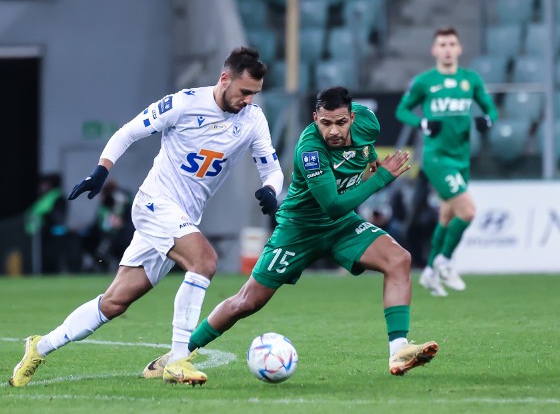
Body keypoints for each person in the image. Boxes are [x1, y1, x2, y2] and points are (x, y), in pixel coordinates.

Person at [8, 46, 284, 387]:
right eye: (244, 92)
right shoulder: (183, 104)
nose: (248, 101)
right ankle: (178, 360)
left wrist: (272, 190)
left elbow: (271, 168)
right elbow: (128, 132)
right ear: (224, 79)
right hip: (155, 204)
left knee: (114, 303)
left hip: (182, 219)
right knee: (205, 262)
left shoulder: (253, 120)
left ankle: (39, 346)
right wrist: (101, 171)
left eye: (254, 95)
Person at [145, 87, 439, 381]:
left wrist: (371, 157)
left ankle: (399, 349)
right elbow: (333, 206)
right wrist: (383, 176)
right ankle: (179, 354)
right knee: (246, 302)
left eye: (340, 122)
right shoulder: (309, 149)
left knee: (399, 259)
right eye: (325, 123)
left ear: (352, 117)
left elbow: (364, 148)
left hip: (341, 228)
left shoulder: (367, 123)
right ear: (315, 118)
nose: (333, 131)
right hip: (299, 231)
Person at [395, 27, 498, 297]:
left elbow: (491, 108)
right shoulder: (424, 81)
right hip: (436, 158)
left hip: (461, 158)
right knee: (468, 211)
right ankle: (444, 261)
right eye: (442, 44)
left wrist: (487, 120)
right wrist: (422, 122)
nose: (448, 49)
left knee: (447, 214)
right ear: (435, 50)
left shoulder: (470, 80)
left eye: (452, 43)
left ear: (460, 49)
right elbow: (402, 110)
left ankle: (429, 272)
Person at [80, 179, 135, 272]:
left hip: (121, 235)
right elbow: (98, 223)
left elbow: (119, 223)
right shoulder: (105, 206)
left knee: (108, 244)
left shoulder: (120, 203)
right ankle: (101, 264)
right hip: (108, 234)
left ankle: (106, 264)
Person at [24, 173, 68, 273]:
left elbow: (58, 217)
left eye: (43, 184)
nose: (41, 187)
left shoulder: (57, 197)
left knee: (52, 258)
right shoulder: (44, 198)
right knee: (43, 258)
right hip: (42, 235)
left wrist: (46, 218)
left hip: (53, 234)